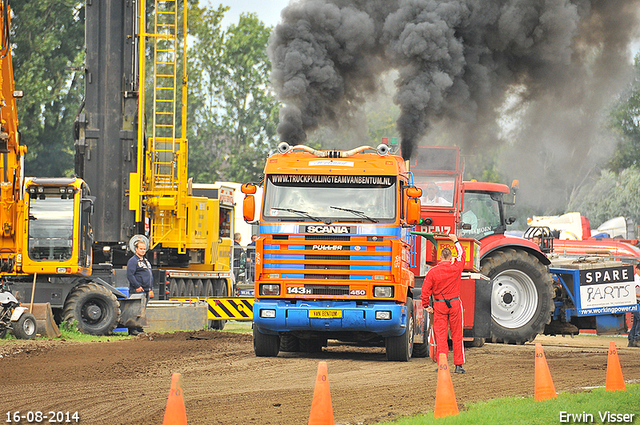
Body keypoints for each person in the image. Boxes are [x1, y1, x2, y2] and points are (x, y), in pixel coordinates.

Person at [421, 233, 467, 373]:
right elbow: (462, 255)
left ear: (440, 257)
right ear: (450, 257)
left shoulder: (433, 272)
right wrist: (455, 241)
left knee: (441, 335)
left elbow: (425, 290)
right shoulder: (456, 268)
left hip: (439, 305)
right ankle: (458, 365)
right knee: (457, 334)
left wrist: (426, 305)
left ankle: (442, 364)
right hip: (454, 304)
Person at [126, 239, 154, 335]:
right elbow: (130, 275)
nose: (143, 251)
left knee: (142, 310)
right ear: (136, 249)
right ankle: (133, 329)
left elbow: (149, 275)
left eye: (144, 249)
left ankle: (139, 328)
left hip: (146, 290)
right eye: (141, 249)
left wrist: (150, 288)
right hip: (137, 290)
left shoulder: (146, 261)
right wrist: (137, 286)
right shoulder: (133, 261)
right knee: (135, 310)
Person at [629, 264, 640, 347]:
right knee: (639, 319)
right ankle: (637, 338)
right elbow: (632, 292)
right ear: (636, 269)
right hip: (635, 302)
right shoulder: (634, 279)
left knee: (636, 321)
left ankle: (631, 339)